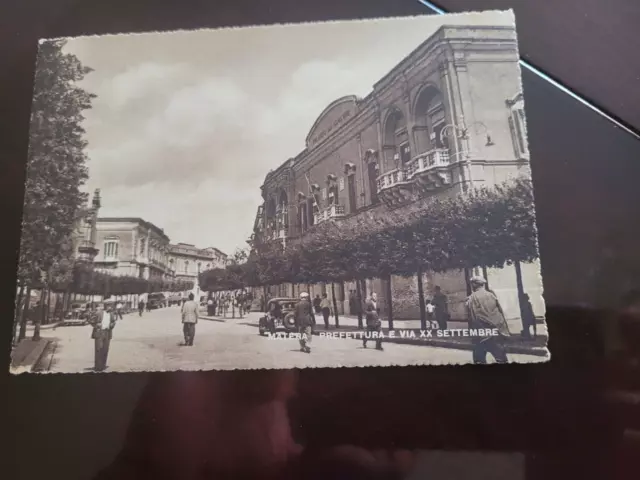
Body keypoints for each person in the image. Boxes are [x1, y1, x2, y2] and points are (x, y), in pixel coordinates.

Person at [466, 276, 510, 364]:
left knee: (479, 359)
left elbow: (473, 317)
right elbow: (500, 312)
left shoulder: (471, 298)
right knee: (501, 358)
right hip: (497, 330)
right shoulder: (492, 295)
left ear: (474, 285)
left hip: (483, 334)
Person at [91, 302, 118, 372]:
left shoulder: (112, 314)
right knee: (99, 349)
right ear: (106, 306)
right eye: (110, 306)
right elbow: (91, 320)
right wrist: (97, 325)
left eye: (111, 306)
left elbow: (113, 322)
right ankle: (97, 367)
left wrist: (111, 325)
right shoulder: (98, 313)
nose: (111, 308)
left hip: (107, 332)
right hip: (99, 332)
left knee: (105, 349)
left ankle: (103, 365)